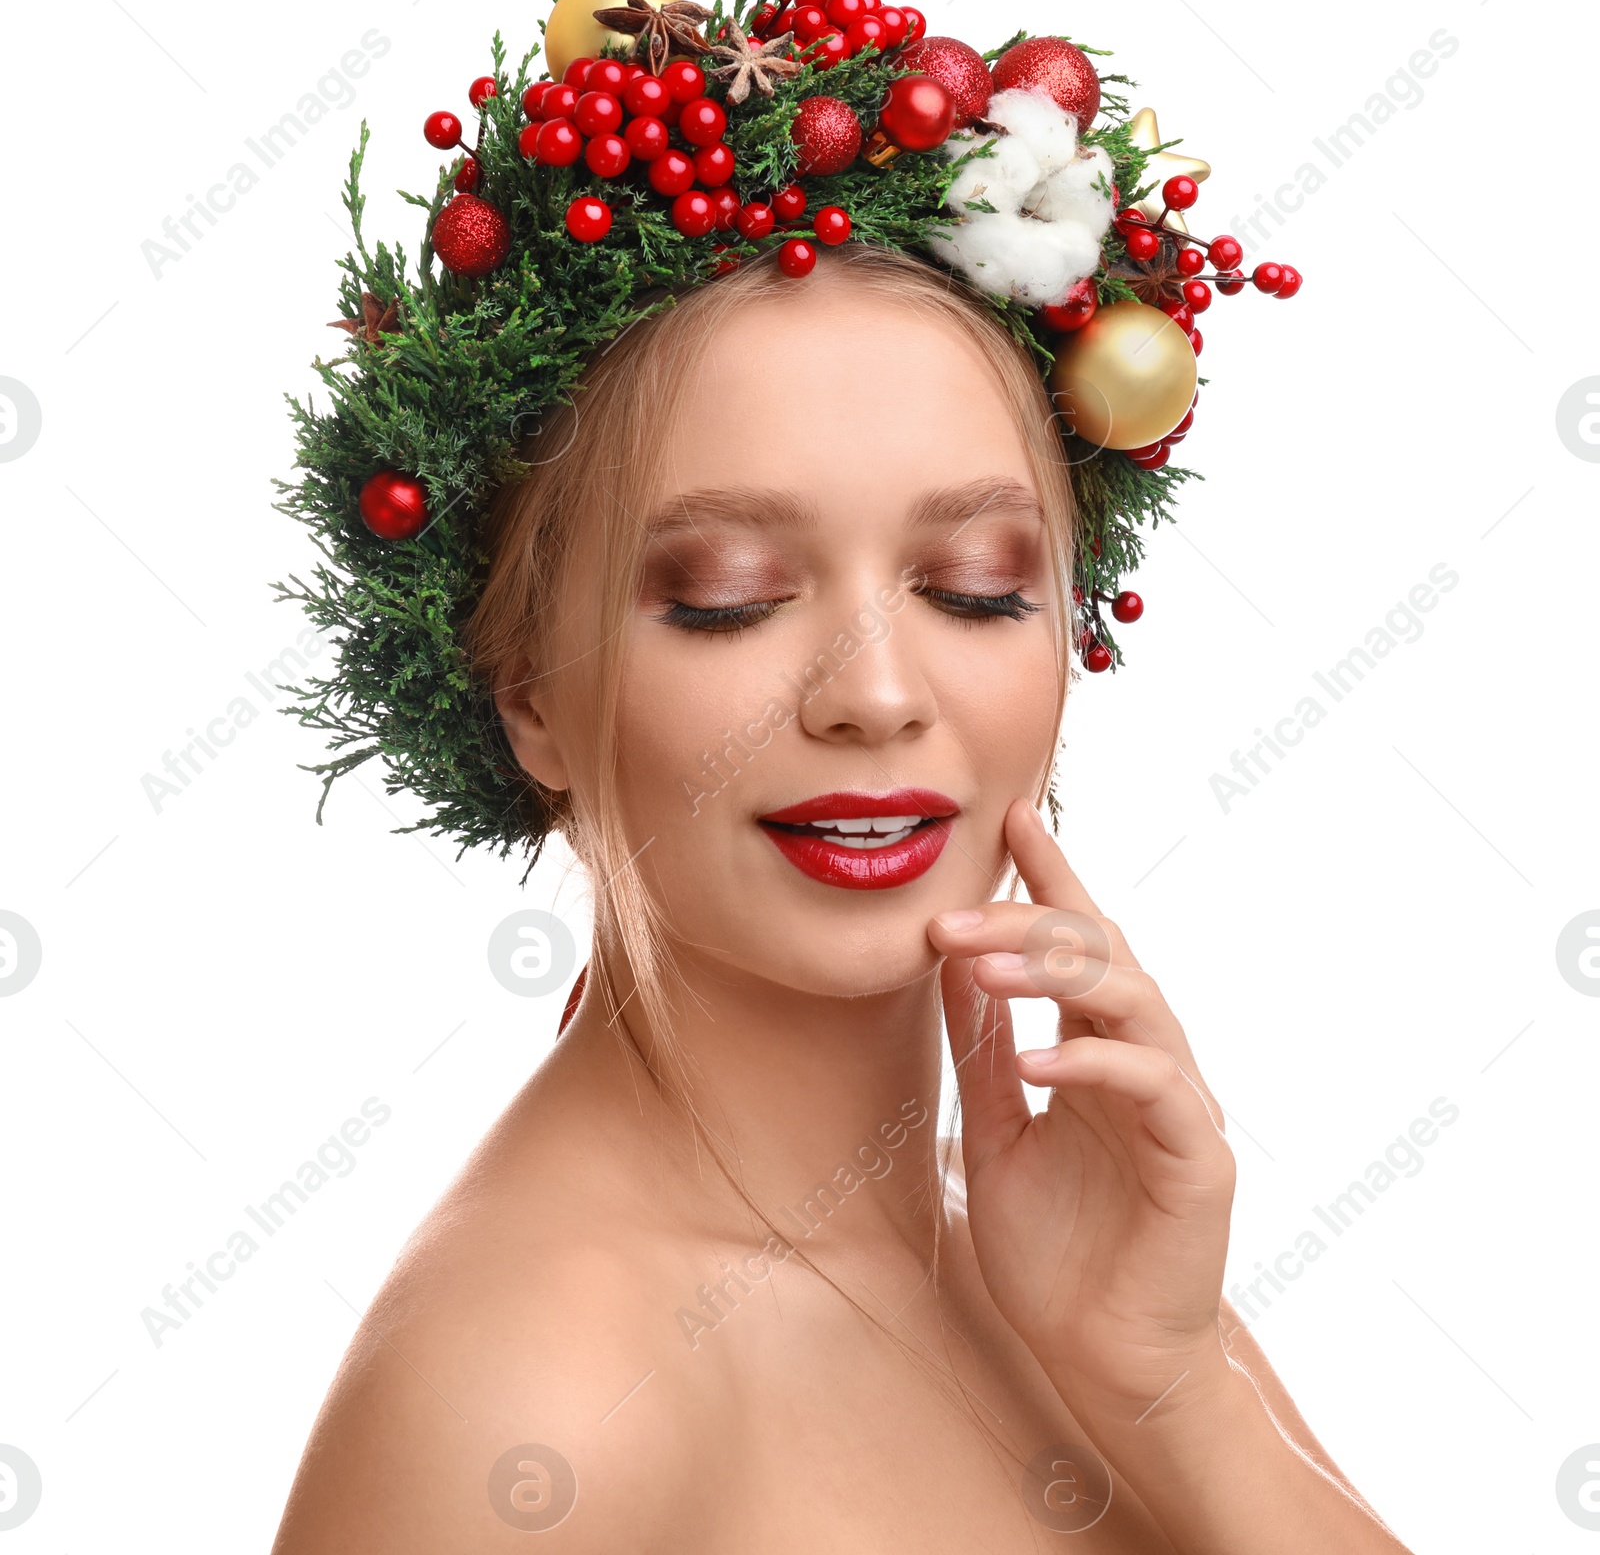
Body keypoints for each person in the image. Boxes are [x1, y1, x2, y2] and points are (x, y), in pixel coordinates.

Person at [270, 246, 1408, 1551]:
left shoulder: (1064, 1273)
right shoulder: (529, 1406)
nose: (876, 693)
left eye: (973, 588)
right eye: (728, 600)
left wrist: (1174, 1382)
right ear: (531, 694)